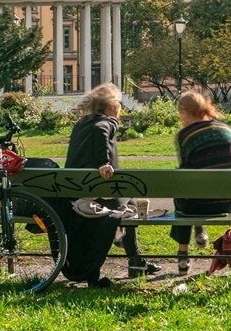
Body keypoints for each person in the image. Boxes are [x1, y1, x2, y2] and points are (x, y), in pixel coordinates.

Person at [61, 83, 160, 286]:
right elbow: (101, 131)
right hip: (99, 192)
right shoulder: (108, 122)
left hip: (75, 189)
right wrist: (103, 162)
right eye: (119, 103)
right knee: (131, 204)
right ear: (112, 106)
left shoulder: (81, 123)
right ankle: (134, 259)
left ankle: (127, 250)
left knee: (126, 198)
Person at [172, 89, 231, 274]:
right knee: (193, 189)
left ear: (184, 112)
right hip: (226, 203)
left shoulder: (185, 135)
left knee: (183, 190)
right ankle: (200, 231)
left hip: (194, 206)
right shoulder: (226, 129)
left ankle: (183, 254)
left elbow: (185, 172)